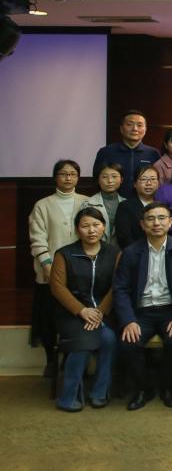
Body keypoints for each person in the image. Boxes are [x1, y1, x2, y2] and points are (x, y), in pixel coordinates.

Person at [114, 202, 172, 410]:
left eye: (161, 218)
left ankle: (168, 387)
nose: (156, 223)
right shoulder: (130, 253)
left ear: (170, 222)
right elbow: (121, 290)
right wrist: (129, 320)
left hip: (170, 311)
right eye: (150, 219)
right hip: (141, 312)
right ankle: (144, 388)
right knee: (128, 343)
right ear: (142, 224)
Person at [49, 208, 119, 411]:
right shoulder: (64, 254)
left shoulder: (114, 253)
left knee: (109, 339)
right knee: (83, 342)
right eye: (85, 226)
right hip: (71, 314)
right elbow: (57, 287)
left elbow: (117, 286)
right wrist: (81, 310)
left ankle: (99, 392)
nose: (91, 230)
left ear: (104, 227)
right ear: (77, 229)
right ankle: (68, 397)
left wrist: (100, 312)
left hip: (103, 313)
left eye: (96, 225)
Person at [29, 159, 89, 376]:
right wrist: (47, 264)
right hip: (49, 269)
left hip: (80, 269)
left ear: (78, 178)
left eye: (73, 174)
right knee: (49, 317)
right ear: (55, 177)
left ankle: (72, 359)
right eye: (63, 174)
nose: (68, 178)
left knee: (75, 315)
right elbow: (37, 238)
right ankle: (51, 360)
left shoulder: (86, 202)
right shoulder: (42, 205)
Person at [93, 110, 161, 197]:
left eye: (139, 125)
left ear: (145, 129)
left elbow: (159, 181)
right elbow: (97, 179)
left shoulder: (153, 153)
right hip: (114, 201)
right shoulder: (106, 152)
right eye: (129, 124)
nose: (135, 129)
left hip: (145, 201)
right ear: (121, 128)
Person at [82, 162, 125, 249]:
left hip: (121, 252)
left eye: (114, 176)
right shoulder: (88, 204)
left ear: (121, 180)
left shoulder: (126, 204)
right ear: (98, 180)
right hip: (94, 250)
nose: (110, 181)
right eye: (105, 177)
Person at [115, 166, 160, 248]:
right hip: (135, 252)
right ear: (135, 184)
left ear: (158, 184)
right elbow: (124, 238)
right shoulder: (125, 206)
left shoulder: (163, 206)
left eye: (153, 179)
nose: (149, 183)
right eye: (144, 179)